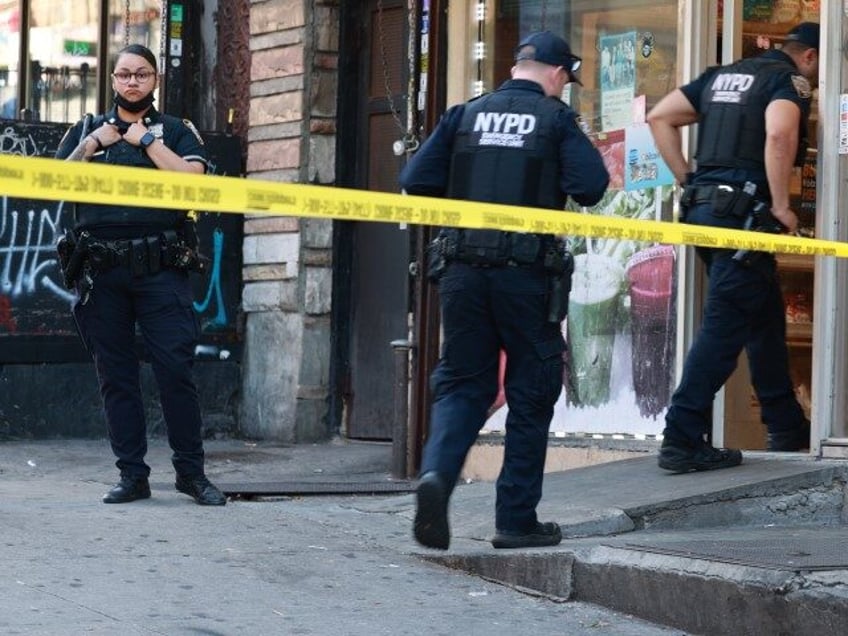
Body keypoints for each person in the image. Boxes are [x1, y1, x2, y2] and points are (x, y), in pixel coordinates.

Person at [399, 31, 609, 549]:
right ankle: (515, 520)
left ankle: (438, 477)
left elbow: (415, 179)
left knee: (463, 383)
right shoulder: (556, 119)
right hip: (526, 276)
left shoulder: (463, 114)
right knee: (531, 391)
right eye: (567, 81)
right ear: (559, 74)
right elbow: (591, 186)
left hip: (462, 273)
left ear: (517, 66)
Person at [54, 44, 226, 506]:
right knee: (116, 375)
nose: (133, 82)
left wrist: (147, 143)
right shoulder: (86, 130)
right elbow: (54, 183)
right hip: (101, 272)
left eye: (142, 74)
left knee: (175, 370)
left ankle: (191, 474)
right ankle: (133, 476)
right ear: (112, 80)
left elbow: (194, 182)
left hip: (160, 270)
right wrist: (93, 145)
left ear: (154, 81)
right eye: (125, 74)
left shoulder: (174, 130)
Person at [646, 22, 819, 473]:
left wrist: (688, 179)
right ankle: (681, 438)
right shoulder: (788, 80)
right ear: (810, 58)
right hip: (745, 216)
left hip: (706, 210)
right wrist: (781, 205)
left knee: (762, 317)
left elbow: (660, 116)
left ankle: (784, 424)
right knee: (723, 329)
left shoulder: (720, 75)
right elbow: (780, 135)